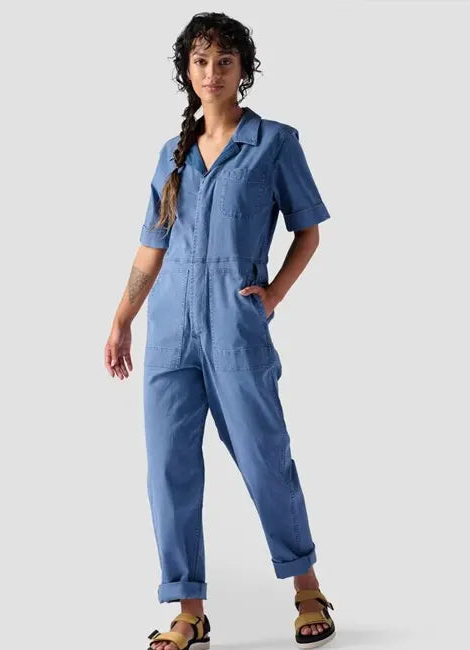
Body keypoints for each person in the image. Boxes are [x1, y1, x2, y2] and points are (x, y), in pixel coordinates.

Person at [105, 12, 336, 650]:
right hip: (170, 332)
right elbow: (152, 245)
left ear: (243, 71)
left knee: (265, 458)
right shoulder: (172, 154)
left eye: (225, 61)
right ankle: (189, 610)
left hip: (236, 329)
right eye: (201, 61)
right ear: (187, 70)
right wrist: (122, 318)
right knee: (168, 471)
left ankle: (307, 586)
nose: (212, 73)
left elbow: (308, 230)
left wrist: (274, 296)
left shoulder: (274, 142)